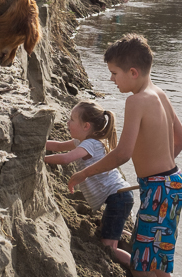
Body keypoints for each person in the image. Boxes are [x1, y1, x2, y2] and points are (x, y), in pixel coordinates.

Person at [68, 33, 182, 277]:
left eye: (114, 73)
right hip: (173, 182)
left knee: (141, 266)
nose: (111, 79)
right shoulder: (158, 93)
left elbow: (122, 153)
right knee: (153, 254)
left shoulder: (135, 101)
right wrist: (161, 168)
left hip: (159, 188)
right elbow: (181, 138)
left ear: (132, 72)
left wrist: (84, 172)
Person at [45, 101, 134, 265]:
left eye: (72, 119)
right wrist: (38, 144)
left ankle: (139, 268)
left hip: (118, 197)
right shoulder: (85, 141)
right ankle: (122, 237)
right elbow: (58, 146)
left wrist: (40, 159)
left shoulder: (90, 144)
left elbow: (65, 158)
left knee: (109, 248)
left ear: (86, 126)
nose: (67, 122)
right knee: (108, 235)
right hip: (119, 195)